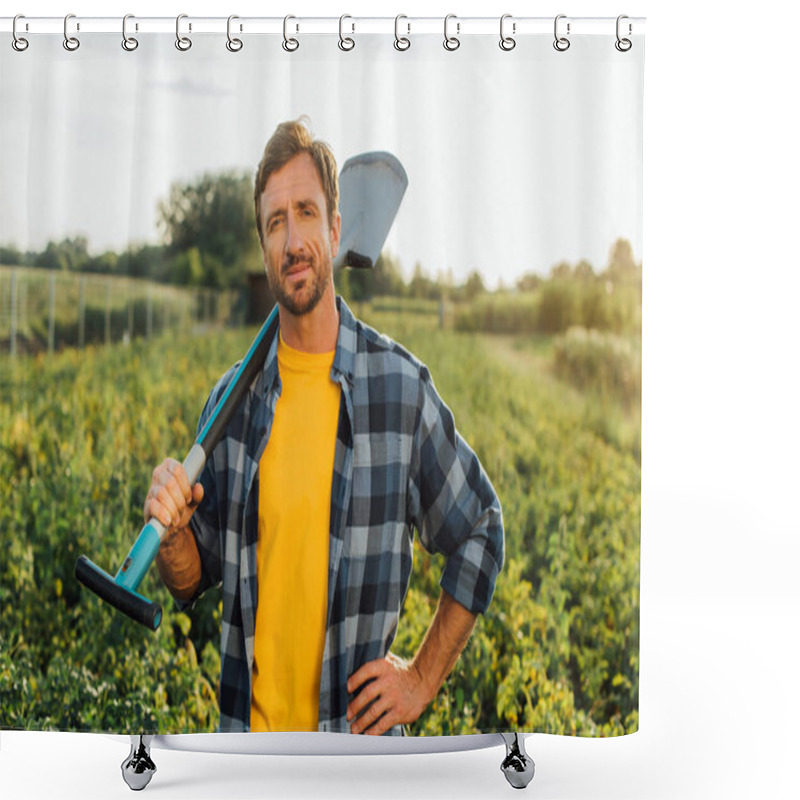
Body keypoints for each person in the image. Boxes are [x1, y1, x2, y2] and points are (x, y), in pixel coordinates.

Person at [145, 118, 504, 736]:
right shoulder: (233, 399)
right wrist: (173, 535)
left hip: (356, 761)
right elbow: (192, 577)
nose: (292, 241)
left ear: (336, 230)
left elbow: (480, 529)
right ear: (263, 246)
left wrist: (419, 679)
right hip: (249, 762)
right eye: (275, 221)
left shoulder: (399, 390)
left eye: (306, 212)